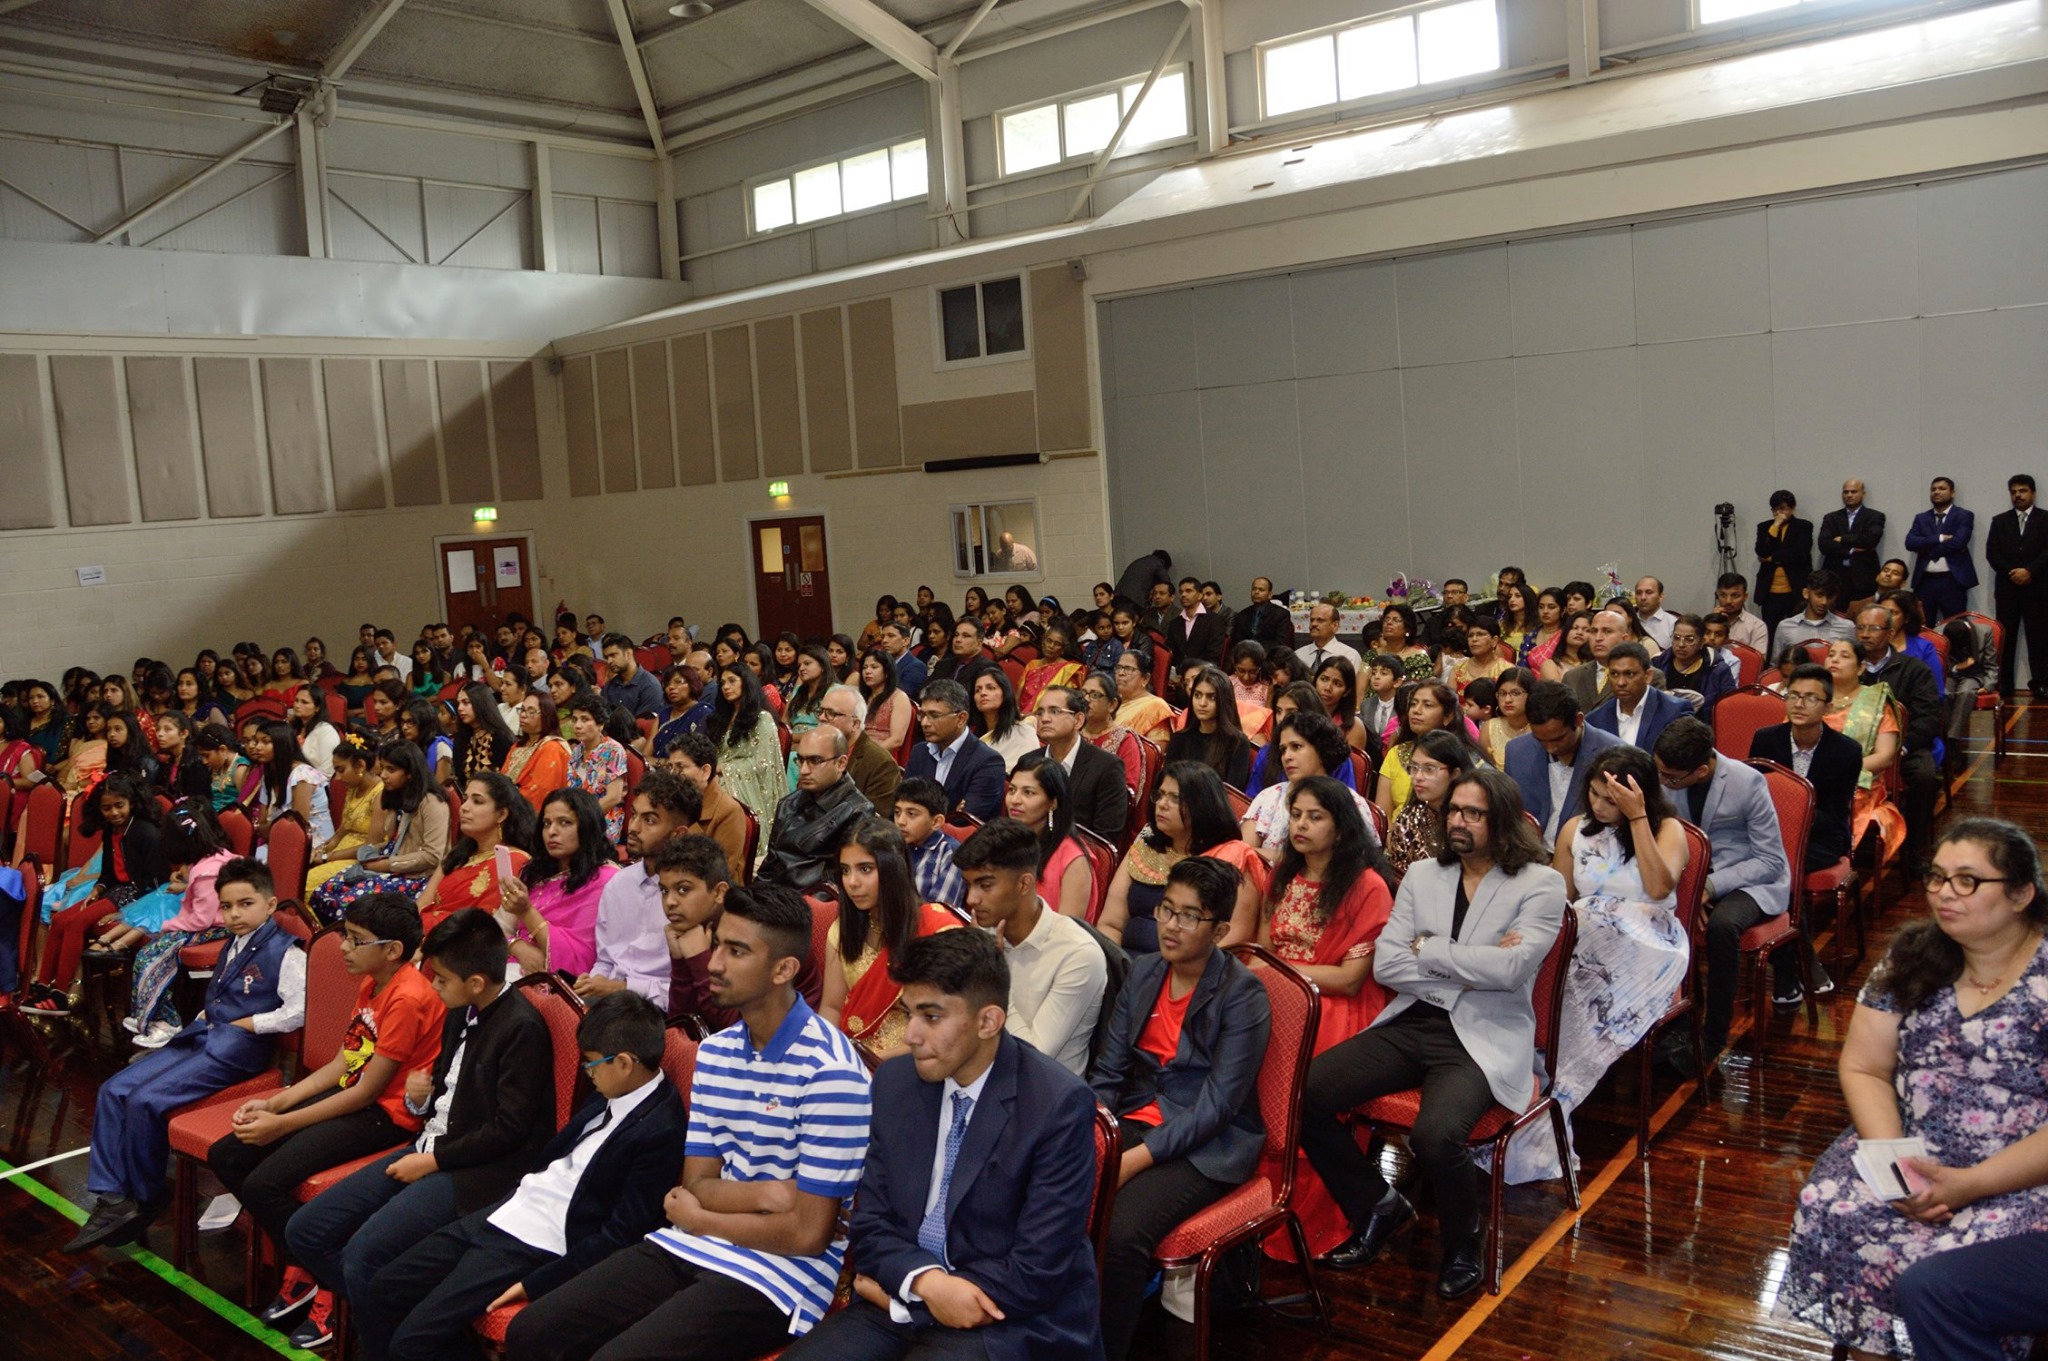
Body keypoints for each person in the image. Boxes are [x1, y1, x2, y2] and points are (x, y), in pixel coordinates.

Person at [504, 885, 872, 1361]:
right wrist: (771, 1195)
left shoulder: (832, 1072)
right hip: (689, 1244)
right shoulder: (717, 1053)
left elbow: (807, 1234)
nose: (714, 962)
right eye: (717, 944)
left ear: (783, 970)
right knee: (532, 1332)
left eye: (736, 951)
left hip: (777, 1277)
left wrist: (702, 1218)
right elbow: (697, 1182)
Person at [1775, 818, 2048, 1359]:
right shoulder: (1913, 957)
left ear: (2021, 894)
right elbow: (1865, 1068)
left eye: (1968, 880)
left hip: (2020, 1170)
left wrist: (1969, 1185)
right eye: (1937, 877)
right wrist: (1896, 1165)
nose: (1944, 893)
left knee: (1954, 1262)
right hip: (1912, 1146)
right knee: (1836, 1208)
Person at [1297, 768, 1564, 1299]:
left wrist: (1428, 948)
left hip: (1483, 1035)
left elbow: (1511, 971)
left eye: (1473, 813)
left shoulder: (1541, 883)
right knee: (1304, 1095)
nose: (1458, 822)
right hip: (1415, 1018)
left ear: (1502, 821)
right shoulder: (1422, 875)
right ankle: (1377, 1205)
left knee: (1434, 1137)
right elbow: (1388, 966)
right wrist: (1471, 962)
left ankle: (1465, 1244)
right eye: (1454, 811)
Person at [778, 928, 1102, 1361]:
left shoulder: (1056, 1104)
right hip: (910, 1288)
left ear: (988, 1022)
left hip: (1011, 1317)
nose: (910, 1035)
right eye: (908, 1013)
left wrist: (906, 1302)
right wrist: (925, 1286)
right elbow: (871, 1225)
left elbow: (1036, 1270)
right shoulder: (895, 1083)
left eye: (931, 1017)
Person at [354, 991, 688, 1361]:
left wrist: (537, 1283)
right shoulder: (614, 1089)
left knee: (413, 1342)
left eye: (591, 1064)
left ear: (624, 1063)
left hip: (538, 1241)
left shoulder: (660, 1129)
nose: (587, 1073)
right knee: (384, 1289)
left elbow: (621, 1234)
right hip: (510, 1208)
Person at [283, 910, 554, 1350]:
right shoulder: (459, 1010)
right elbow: (444, 1097)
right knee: (306, 1230)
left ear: (476, 983)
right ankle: (393, 1319)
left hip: (471, 1171)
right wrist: (419, 1099)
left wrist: (433, 1161)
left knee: (363, 1255)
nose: (434, 986)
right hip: (428, 1146)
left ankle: (387, 1339)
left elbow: (510, 1130)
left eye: (441, 979)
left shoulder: (520, 1028)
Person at [209, 894, 444, 1336]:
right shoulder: (373, 982)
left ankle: (332, 1284)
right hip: (353, 1096)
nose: (344, 948)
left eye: (356, 940)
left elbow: (367, 1092)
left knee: (263, 1183)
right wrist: (276, 1103)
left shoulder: (408, 997)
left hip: (385, 1115)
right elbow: (343, 1063)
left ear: (392, 950)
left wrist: (282, 1124)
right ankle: (307, 1265)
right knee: (228, 1154)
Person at [63, 858, 306, 1254]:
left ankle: (145, 1195)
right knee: (112, 1090)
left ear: (270, 904)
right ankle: (113, 1196)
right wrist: (198, 1021)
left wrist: (248, 1024)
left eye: (245, 904)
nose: (234, 914)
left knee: (145, 1100)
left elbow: (298, 1010)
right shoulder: (232, 944)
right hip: (204, 1037)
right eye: (227, 906)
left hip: (237, 1050)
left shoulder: (287, 952)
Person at [1090, 857, 1270, 1361]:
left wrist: (1132, 1160)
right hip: (1138, 1118)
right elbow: (1109, 1071)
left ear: (1220, 931)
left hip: (1209, 1144)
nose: (1170, 925)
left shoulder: (1243, 995)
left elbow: (1217, 1107)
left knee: (1121, 1233)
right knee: (1054, 1189)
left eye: (1189, 916)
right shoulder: (1145, 971)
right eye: (1166, 909)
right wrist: (1094, 1135)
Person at [1508, 746, 1691, 1185]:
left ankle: (1557, 1088)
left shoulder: (1667, 829)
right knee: (1538, 974)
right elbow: (1559, 899)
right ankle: (1524, 1083)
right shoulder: (1575, 829)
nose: (1599, 805)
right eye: (1593, 794)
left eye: (1611, 799)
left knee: (1574, 989)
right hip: (1585, 935)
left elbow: (1659, 887)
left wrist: (1637, 818)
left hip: (1648, 942)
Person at [1650, 718, 1798, 1073]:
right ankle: (1670, 1024)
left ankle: (1714, 1035)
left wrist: (1710, 887)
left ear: (1701, 770)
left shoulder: (1748, 783)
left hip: (1748, 880)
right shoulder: (1667, 776)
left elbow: (1770, 860)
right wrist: (1692, 889)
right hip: (1692, 875)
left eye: (1671, 778)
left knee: (1722, 926)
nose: (1663, 783)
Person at [953, 818, 1107, 1077]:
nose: (971, 899)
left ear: (1024, 884)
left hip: (1040, 1090)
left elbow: (1033, 1056)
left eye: (985, 885)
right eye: (969, 884)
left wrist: (992, 978)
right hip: (978, 1073)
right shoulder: (983, 932)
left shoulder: (1078, 955)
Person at [24, 774, 166, 1014]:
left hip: (139, 895)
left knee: (75, 923)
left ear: (132, 803)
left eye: (119, 806)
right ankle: (42, 985)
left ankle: (60, 995)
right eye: (106, 808)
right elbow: (108, 873)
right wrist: (97, 889)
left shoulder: (146, 832)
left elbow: (154, 883)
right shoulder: (111, 830)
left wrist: (125, 910)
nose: (114, 813)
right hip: (116, 890)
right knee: (59, 919)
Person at [819, 818, 959, 1061]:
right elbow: (832, 1007)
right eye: (845, 870)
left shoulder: (935, 932)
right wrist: (824, 1054)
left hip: (917, 1059)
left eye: (865, 869)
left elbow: (944, 1027)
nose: (852, 882)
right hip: (852, 1056)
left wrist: (870, 1062)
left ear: (894, 869)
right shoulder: (842, 930)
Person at [1099, 763, 1267, 953]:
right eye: (1160, 795)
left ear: (1202, 805)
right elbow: (1110, 924)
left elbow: (1229, 944)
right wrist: (1116, 963)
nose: (1162, 804)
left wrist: (1158, 969)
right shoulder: (1144, 849)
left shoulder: (1232, 859)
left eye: (1175, 798)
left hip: (1187, 968)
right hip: (1122, 960)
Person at [572, 769, 701, 1009]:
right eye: (634, 815)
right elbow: (606, 961)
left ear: (678, 834)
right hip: (608, 1003)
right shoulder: (618, 884)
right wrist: (592, 982)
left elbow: (688, 994)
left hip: (657, 1013)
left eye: (649, 820)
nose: (633, 827)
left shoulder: (693, 899)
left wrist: (624, 988)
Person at [308, 741, 450, 922]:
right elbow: (392, 842)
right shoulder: (399, 795)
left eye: (391, 770)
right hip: (390, 865)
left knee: (347, 906)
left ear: (410, 773)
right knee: (324, 892)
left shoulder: (431, 802)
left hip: (416, 876)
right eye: (382, 768)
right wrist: (370, 855)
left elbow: (432, 856)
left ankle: (349, 939)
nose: (383, 775)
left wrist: (386, 864)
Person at [1853, 605, 1944, 877]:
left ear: (1891, 633)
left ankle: (1914, 851)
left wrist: (1902, 747)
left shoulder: (1914, 669)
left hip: (1904, 745)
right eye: (1860, 628)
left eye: (1873, 628)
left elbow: (1928, 717)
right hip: (1853, 745)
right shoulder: (1847, 667)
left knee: (1925, 776)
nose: (1865, 634)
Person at [1749, 664, 1862, 872]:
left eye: (1811, 698)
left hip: (1818, 840)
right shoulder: (1765, 739)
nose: (1799, 705)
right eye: (1793, 696)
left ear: (1828, 707)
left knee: (1777, 862)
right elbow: (1755, 797)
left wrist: (1792, 818)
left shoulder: (1846, 751)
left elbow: (1835, 816)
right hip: (1769, 833)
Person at [504, 787, 618, 978]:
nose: (552, 832)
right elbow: (499, 928)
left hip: (555, 982)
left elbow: (580, 958)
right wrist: (517, 946)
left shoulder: (605, 880)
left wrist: (527, 912)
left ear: (587, 827)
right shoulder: (534, 872)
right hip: (510, 966)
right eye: (546, 823)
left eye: (565, 823)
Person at [1817, 640, 1907, 870]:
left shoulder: (1875, 702)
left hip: (1858, 784)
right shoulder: (1811, 697)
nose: (1835, 659)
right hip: (1811, 777)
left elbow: (1885, 756)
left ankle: (1826, 861)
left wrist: (1838, 772)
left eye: (1844, 656)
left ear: (1861, 668)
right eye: (1831, 654)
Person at [1244, 712, 1378, 859]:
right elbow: (1243, 854)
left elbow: (1358, 863)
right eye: (1283, 750)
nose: (1287, 757)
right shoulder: (1269, 797)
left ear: (1321, 750)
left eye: (1296, 747)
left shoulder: (1351, 803)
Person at [415, 772, 535, 935]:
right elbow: (421, 905)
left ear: (501, 814)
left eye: (477, 801)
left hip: (460, 943)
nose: (464, 807)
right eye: (465, 800)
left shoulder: (515, 860)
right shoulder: (458, 856)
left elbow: (488, 927)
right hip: (421, 933)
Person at [758, 726, 875, 890]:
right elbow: (768, 869)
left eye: (815, 761)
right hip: (774, 895)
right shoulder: (788, 803)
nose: (804, 770)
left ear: (841, 763)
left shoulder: (858, 812)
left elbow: (838, 884)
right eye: (800, 760)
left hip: (810, 900)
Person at [1030, 683, 1129, 846]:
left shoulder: (1107, 767)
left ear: (1078, 720)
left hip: (1080, 855)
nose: (1044, 719)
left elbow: (1105, 839)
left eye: (1055, 711)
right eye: (1040, 712)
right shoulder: (1029, 762)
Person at [705, 661, 786, 853]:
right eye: (722, 683)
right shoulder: (723, 718)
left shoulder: (762, 718)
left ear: (746, 683)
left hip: (744, 785)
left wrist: (723, 769)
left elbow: (763, 763)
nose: (726, 687)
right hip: (717, 778)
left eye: (732, 681)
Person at [1384, 731, 1480, 888]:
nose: (1418, 777)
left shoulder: (1475, 820)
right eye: (1414, 768)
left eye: (1429, 769)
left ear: (1455, 774)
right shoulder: (1409, 819)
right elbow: (1400, 881)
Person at [905, 679, 1007, 822]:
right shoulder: (920, 752)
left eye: (934, 715)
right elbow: (903, 805)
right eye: (922, 715)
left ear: (961, 719)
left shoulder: (988, 762)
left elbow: (963, 821)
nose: (925, 723)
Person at [1984, 473, 2048, 699]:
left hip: (2038, 588)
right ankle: (2005, 683)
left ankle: (2041, 682)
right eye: (2014, 492)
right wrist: (2014, 571)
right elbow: (1992, 553)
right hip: (2007, 588)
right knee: (2006, 637)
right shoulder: (2000, 521)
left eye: (2023, 491)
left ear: (2033, 493)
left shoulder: (2045, 519)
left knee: (2039, 637)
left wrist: (2029, 571)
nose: (2018, 495)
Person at [667, 732, 750, 876]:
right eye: (670, 767)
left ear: (705, 772)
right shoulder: (670, 800)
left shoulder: (729, 811)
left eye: (680, 767)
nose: (672, 775)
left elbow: (719, 872)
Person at [816, 685, 901, 820]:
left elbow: (873, 822)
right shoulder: (816, 749)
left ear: (855, 723)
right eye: (820, 711)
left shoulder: (881, 764)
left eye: (831, 713)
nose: (822, 717)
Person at [1163, 664, 1253, 789]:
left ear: (1224, 701)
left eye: (1211, 697)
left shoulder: (1237, 743)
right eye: (1197, 695)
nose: (1202, 703)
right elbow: (1167, 784)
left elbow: (1231, 794)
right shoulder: (1179, 739)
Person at [1588, 642, 1689, 752]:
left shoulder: (1674, 711)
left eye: (1629, 674)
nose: (1621, 682)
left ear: (1648, 676)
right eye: (1614, 674)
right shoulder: (1595, 720)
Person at [1905, 476, 1978, 625]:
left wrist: (1928, 550)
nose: (1936, 492)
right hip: (1924, 581)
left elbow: (1958, 542)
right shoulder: (1921, 518)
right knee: (1923, 625)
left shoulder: (1963, 515)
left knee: (1955, 626)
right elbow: (1910, 543)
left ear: (1952, 493)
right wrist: (1939, 538)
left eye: (1942, 489)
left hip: (1952, 580)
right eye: (1933, 489)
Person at [892, 778, 965, 910]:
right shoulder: (890, 844)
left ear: (936, 822)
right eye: (897, 812)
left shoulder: (951, 854)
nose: (901, 821)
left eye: (911, 814)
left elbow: (940, 912)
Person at [1819, 479, 1887, 608]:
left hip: (1864, 576)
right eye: (1846, 492)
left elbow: (1870, 540)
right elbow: (1824, 544)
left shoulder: (1875, 516)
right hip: (1835, 576)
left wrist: (1842, 538)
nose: (1849, 495)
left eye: (1854, 491)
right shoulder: (1831, 517)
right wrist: (1851, 550)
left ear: (1863, 494)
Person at [503, 691, 573, 816]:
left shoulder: (552, 747)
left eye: (531, 712)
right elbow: (502, 781)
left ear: (546, 716)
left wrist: (504, 803)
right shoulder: (516, 747)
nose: (523, 715)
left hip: (531, 816)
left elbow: (540, 791)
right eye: (522, 710)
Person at [1758, 489, 1817, 633]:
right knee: (1771, 632)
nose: (1779, 513)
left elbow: (1800, 554)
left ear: (1792, 508)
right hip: (1770, 591)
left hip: (1795, 589)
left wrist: (1772, 558)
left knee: (1798, 631)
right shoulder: (1765, 527)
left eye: (1782, 508)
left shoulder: (1804, 526)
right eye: (1775, 509)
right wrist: (1775, 526)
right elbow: (1762, 551)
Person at [1654, 616, 1734, 711]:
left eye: (1690, 639)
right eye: (1676, 638)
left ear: (1701, 643)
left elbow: (1729, 707)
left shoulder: (1718, 670)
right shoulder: (1657, 663)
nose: (1681, 644)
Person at [1713, 573, 1771, 655]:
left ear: (1745, 596)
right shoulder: (1708, 624)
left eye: (1735, 596)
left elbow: (1758, 660)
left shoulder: (1757, 626)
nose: (1728, 601)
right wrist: (1714, 622)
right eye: (1723, 595)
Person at [1230, 576, 1294, 650]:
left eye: (1261, 590)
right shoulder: (1242, 615)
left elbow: (1281, 643)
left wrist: (1256, 652)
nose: (1256, 592)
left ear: (1270, 595)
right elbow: (1236, 643)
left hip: (1270, 654)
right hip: (1245, 654)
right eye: (1254, 589)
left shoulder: (1281, 614)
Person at [1300, 601, 1363, 675]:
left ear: (1335, 625)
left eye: (1320, 620)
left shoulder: (1350, 656)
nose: (1313, 624)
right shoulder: (1299, 655)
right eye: (1312, 620)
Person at [878, 622, 927, 706]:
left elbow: (902, 699)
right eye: (882, 637)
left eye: (891, 636)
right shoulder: (881, 665)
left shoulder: (916, 667)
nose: (884, 641)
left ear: (905, 641)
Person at [1632, 578, 1679, 652]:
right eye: (1638, 593)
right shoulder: (1629, 621)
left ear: (1661, 597)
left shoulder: (1673, 624)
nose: (1643, 597)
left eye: (1649, 592)